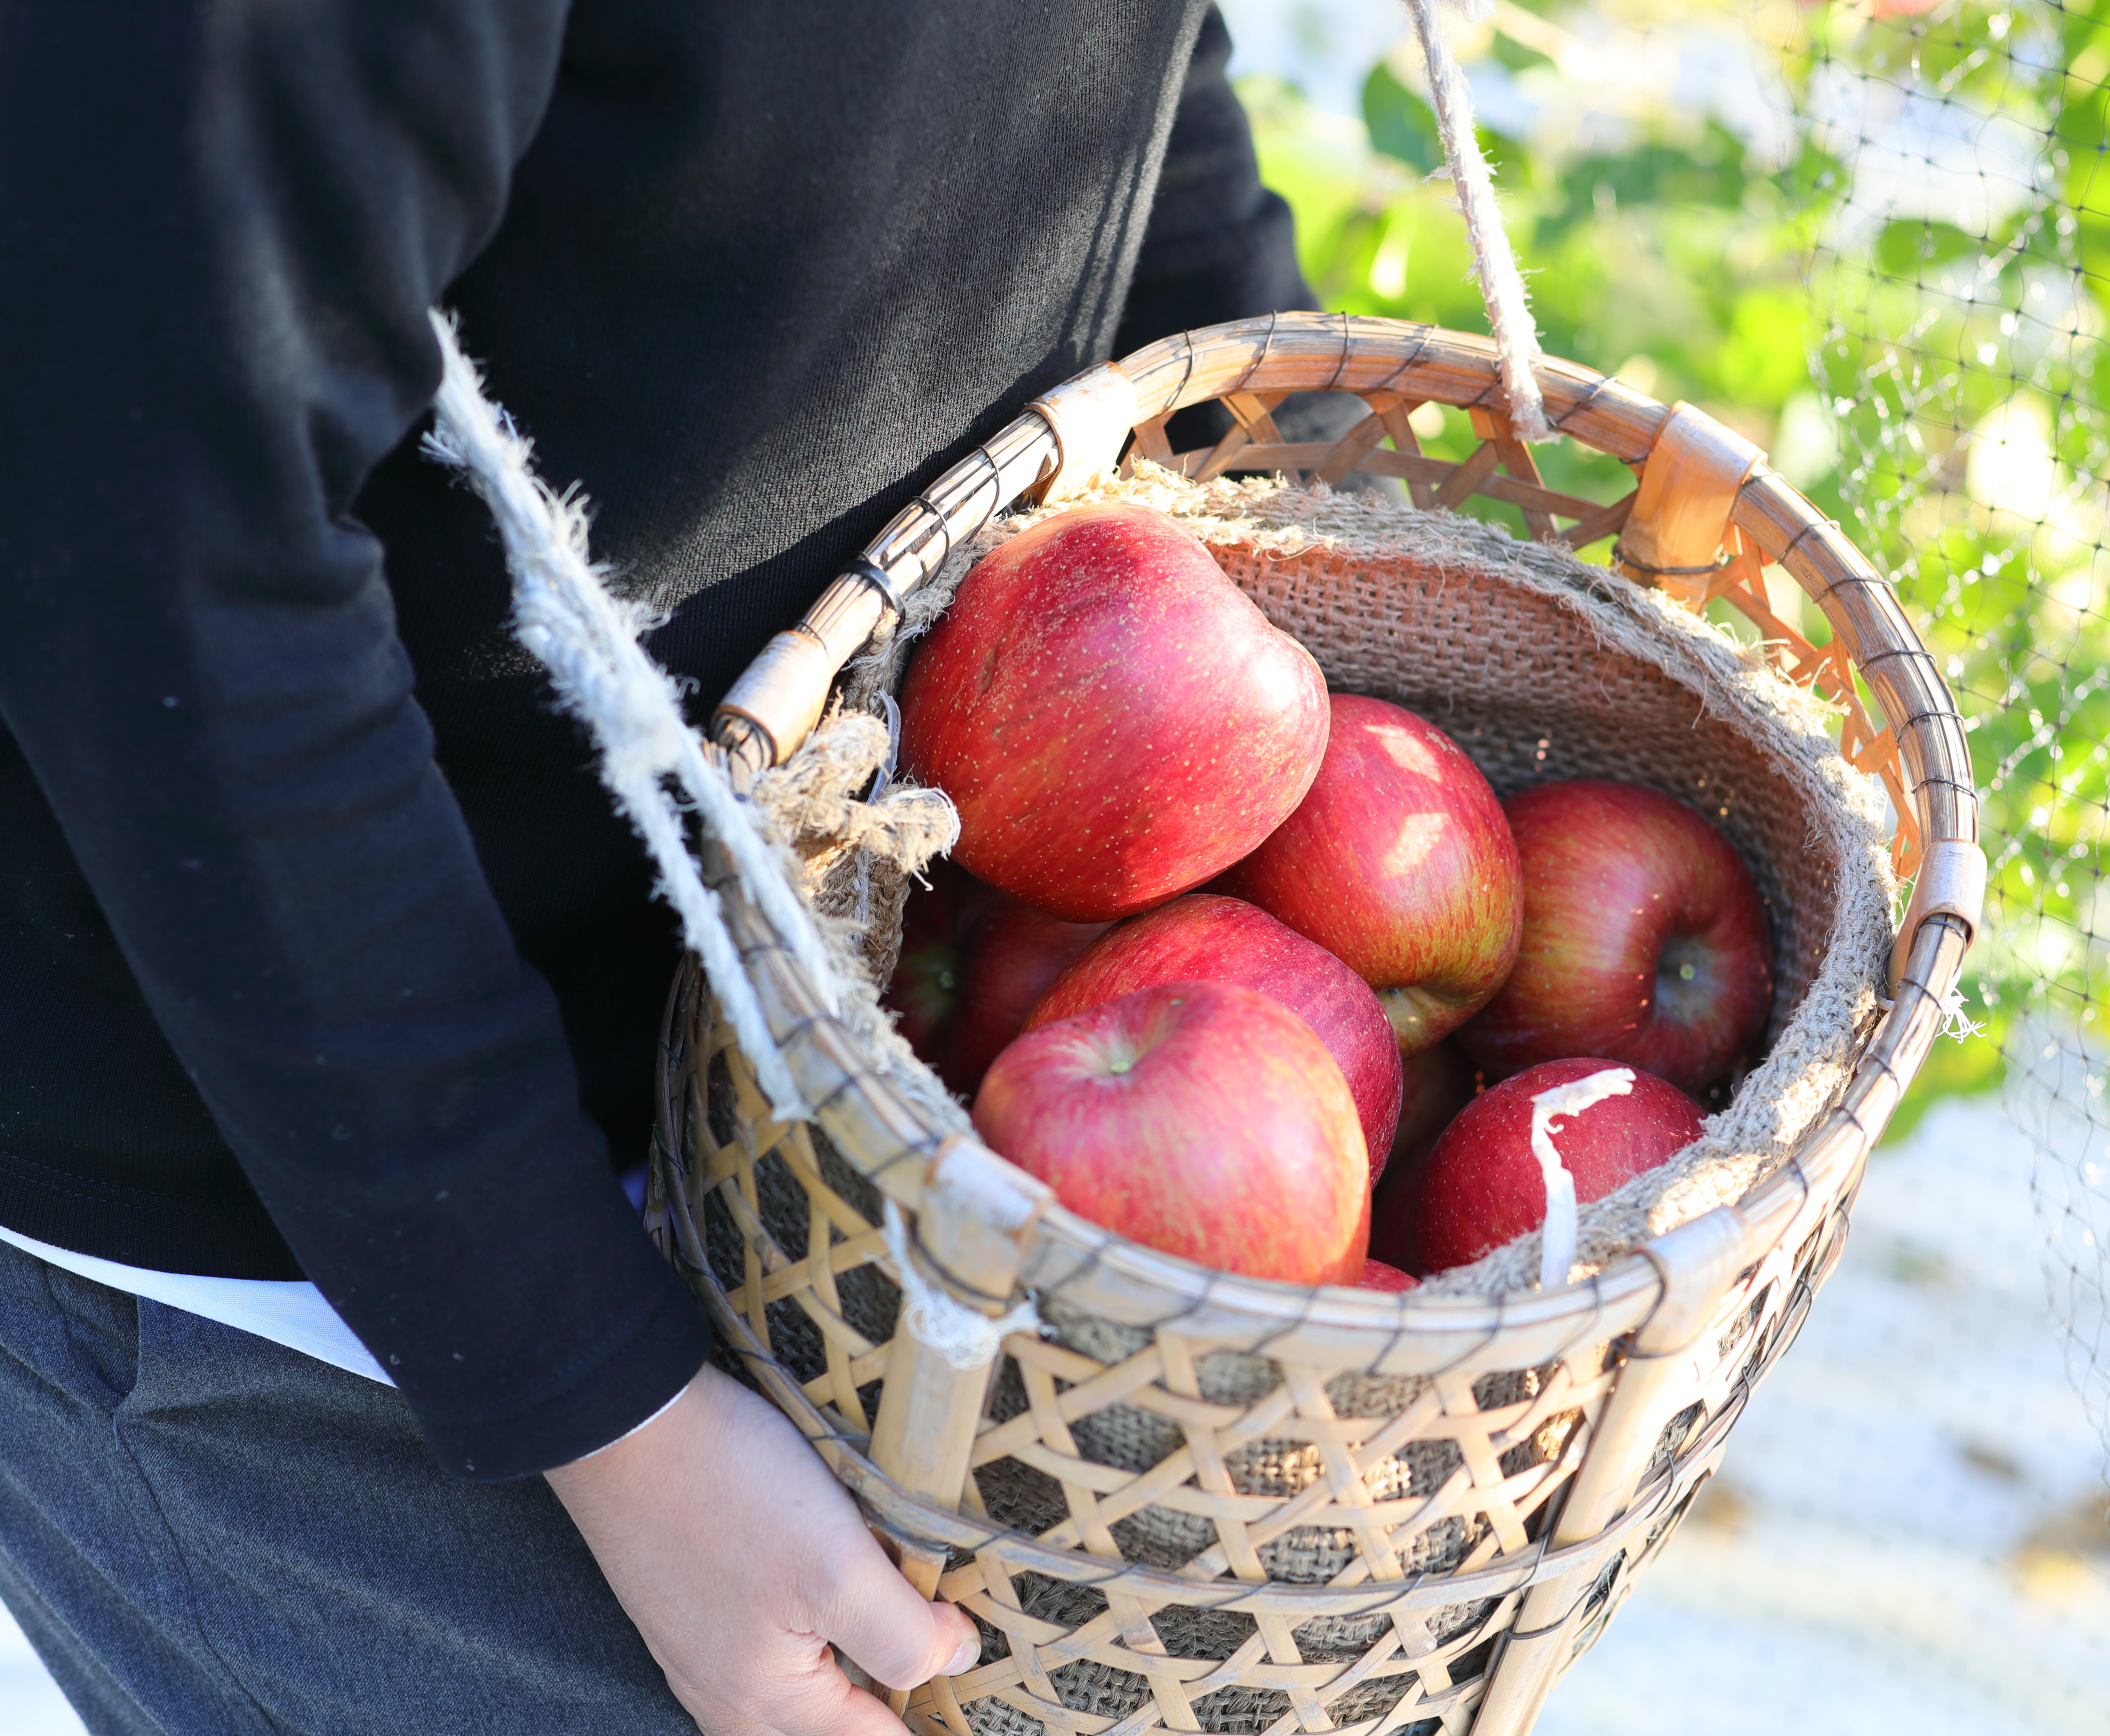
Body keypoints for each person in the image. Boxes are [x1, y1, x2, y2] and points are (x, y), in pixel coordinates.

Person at [0, 5, 1346, 1731]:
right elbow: (152, 529)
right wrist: (608, 1407)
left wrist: (1311, 545)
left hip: (809, 1063)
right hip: (308, 1169)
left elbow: (1109, 89)